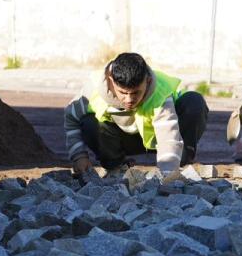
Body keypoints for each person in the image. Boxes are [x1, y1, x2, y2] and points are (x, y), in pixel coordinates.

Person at [64, 52, 208, 177]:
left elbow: (168, 135)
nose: (129, 100)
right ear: (111, 81)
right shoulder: (93, 89)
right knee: (89, 123)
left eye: (135, 93)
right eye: (123, 93)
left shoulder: (159, 92)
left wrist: (168, 175)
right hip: (119, 139)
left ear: (148, 81)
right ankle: (115, 167)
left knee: (194, 102)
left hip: (160, 137)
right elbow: (71, 118)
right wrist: (79, 156)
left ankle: (181, 162)